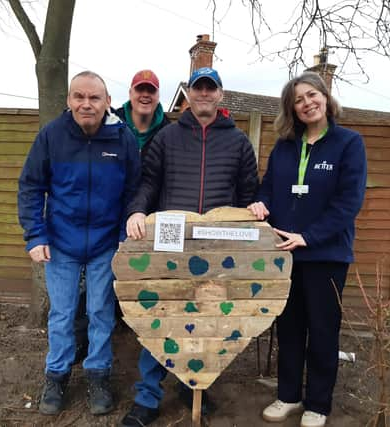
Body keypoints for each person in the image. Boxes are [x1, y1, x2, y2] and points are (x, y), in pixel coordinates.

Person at [120, 67, 260, 427]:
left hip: (217, 247)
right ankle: (147, 397)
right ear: (189, 94)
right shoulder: (166, 137)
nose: (203, 94)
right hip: (171, 243)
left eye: (209, 89)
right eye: (198, 88)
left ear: (220, 95)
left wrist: (255, 212)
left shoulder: (238, 142)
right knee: (162, 319)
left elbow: (248, 195)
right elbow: (148, 183)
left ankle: (191, 384)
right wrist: (137, 210)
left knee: (206, 320)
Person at [18, 71, 140, 417]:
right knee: (62, 314)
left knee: (101, 312)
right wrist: (35, 235)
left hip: (105, 244)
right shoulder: (52, 136)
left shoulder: (122, 139)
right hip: (61, 243)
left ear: (107, 103)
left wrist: (122, 238)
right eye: (79, 97)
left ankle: (98, 375)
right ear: (69, 100)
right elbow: (30, 187)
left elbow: (135, 191)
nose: (86, 104)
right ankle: (56, 376)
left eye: (94, 98)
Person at [248, 71, 367, 427]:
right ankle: (288, 396)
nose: (307, 103)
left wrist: (309, 236)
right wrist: (259, 204)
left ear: (326, 98)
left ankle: (318, 403)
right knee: (289, 328)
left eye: (312, 95)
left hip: (325, 255)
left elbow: (348, 203)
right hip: (284, 254)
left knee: (323, 330)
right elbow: (268, 187)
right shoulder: (285, 146)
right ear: (292, 109)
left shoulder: (349, 143)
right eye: (299, 100)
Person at [115, 69, 171, 153]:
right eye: (140, 89)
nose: (145, 94)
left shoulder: (169, 133)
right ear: (130, 93)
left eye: (151, 90)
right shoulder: (112, 124)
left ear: (158, 96)